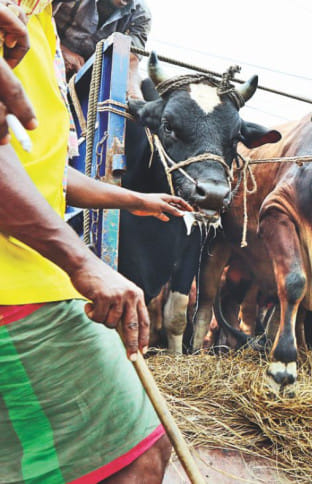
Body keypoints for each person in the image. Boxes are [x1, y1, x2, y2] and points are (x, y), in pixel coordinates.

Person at [0, 2, 190, 481]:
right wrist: (83, 262)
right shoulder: (13, 15)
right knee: (139, 453)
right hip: (16, 288)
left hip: (39, 275)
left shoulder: (41, 24)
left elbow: (38, 166)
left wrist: (133, 198)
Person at [52, 0, 150, 98]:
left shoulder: (141, 15)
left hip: (84, 80)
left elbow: (130, 62)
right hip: (48, 52)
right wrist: (61, 50)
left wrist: (134, 95)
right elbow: (42, 15)